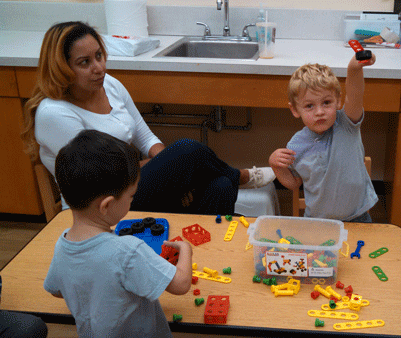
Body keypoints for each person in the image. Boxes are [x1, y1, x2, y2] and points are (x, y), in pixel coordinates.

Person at [21, 21, 275, 217]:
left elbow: (145, 136)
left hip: (131, 189)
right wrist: (172, 168)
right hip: (99, 208)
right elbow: (105, 176)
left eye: (99, 56)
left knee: (219, 184)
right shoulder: (54, 113)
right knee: (188, 150)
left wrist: (175, 175)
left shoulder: (108, 84)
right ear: (61, 68)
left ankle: (200, 262)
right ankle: (241, 176)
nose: (98, 67)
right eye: (84, 62)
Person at [44, 130, 192, 337]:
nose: (132, 201)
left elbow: (55, 289)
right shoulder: (128, 251)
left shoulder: (63, 245)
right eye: (131, 196)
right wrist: (186, 250)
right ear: (106, 205)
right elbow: (181, 284)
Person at [268, 54, 378, 222]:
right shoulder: (296, 145)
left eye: (326, 102)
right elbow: (294, 183)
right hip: (317, 221)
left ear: (338, 101)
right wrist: (276, 166)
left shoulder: (347, 124)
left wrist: (354, 68)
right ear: (295, 110)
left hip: (358, 217)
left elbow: (355, 94)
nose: (319, 112)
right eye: (309, 106)